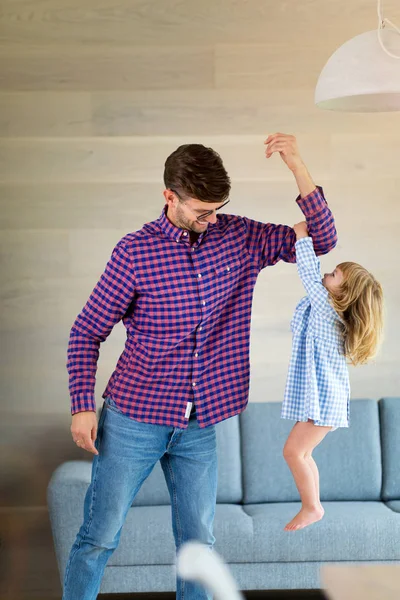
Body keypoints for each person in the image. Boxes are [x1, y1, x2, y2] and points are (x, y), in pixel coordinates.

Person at [64, 133, 337, 600]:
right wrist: (81, 406)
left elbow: (324, 239)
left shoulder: (240, 236)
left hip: (200, 424)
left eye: (218, 208)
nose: (211, 220)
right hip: (133, 418)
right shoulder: (134, 253)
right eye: (201, 210)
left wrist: (299, 167)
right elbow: (87, 331)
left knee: (198, 547)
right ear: (169, 196)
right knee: (99, 538)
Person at [281, 221, 384, 532]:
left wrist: (302, 237)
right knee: (304, 452)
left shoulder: (328, 310)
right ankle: (313, 506)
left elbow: (310, 276)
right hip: (329, 401)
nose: (329, 272)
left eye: (336, 274)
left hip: (326, 402)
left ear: (344, 292)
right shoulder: (331, 312)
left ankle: (312, 507)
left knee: (293, 452)